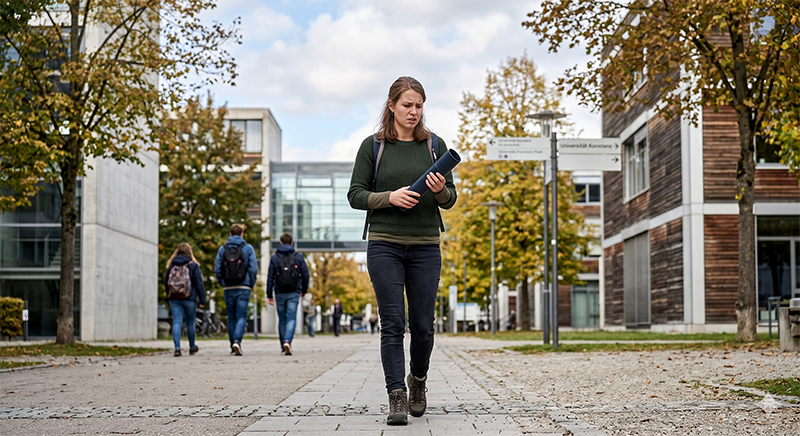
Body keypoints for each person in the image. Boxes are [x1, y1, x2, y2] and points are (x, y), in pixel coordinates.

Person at [347, 76, 457, 426]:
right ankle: (396, 394)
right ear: (391, 105)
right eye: (407, 104)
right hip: (384, 244)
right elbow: (355, 195)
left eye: (419, 105)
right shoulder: (373, 146)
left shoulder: (434, 145)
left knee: (423, 325)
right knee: (392, 323)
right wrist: (389, 198)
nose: (413, 111)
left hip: (426, 245)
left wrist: (439, 191)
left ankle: (418, 381)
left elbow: (451, 199)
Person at [214, 224, 258, 356]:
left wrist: (223, 282)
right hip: (243, 287)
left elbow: (217, 269)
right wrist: (250, 283)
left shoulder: (223, 249)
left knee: (231, 316)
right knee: (241, 316)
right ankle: (237, 341)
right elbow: (253, 268)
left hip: (228, 287)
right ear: (242, 234)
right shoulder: (248, 248)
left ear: (230, 234)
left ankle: (232, 345)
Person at [267, 232, 309, 356]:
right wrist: (304, 290)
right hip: (294, 291)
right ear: (292, 243)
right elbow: (305, 275)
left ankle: (282, 346)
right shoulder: (298, 256)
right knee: (291, 318)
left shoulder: (275, 257)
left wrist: (269, 294)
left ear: (280, 243)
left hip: (279, 291)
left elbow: (270, 277)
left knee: (282, 319)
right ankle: (287, 341)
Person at [164, 242, 206, 357]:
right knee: (190, 323)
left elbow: (166, 282)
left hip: (174, 298)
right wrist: (202, 299)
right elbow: (199, 283)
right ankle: (192, 347)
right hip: (190, 298)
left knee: (176, 321)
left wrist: (170, 293)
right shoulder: (193, 265)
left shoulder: (172, 265)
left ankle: (177, 348)